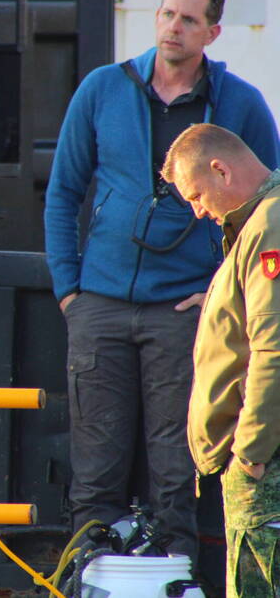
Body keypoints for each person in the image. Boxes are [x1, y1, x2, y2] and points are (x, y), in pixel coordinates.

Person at [44, 0, 279, 561]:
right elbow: (62, 190)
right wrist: (69, 289)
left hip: (183, 309)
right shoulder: (102, 89)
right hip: (98, 304)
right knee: (95, 467)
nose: (174, 28)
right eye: (167, 14)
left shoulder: (241, 102)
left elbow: (267, 200)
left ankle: (177, 578)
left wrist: (219, 290)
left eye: (189, 20)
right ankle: (88, 576)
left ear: (213, 32)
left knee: (178, 468)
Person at [161, 123, 280, 596]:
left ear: (220, 169)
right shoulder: (258, 223)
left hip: (266, 468)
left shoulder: (268, 226)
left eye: (195, 195)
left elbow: (272, 349)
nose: (196, 210)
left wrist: (250, 454)